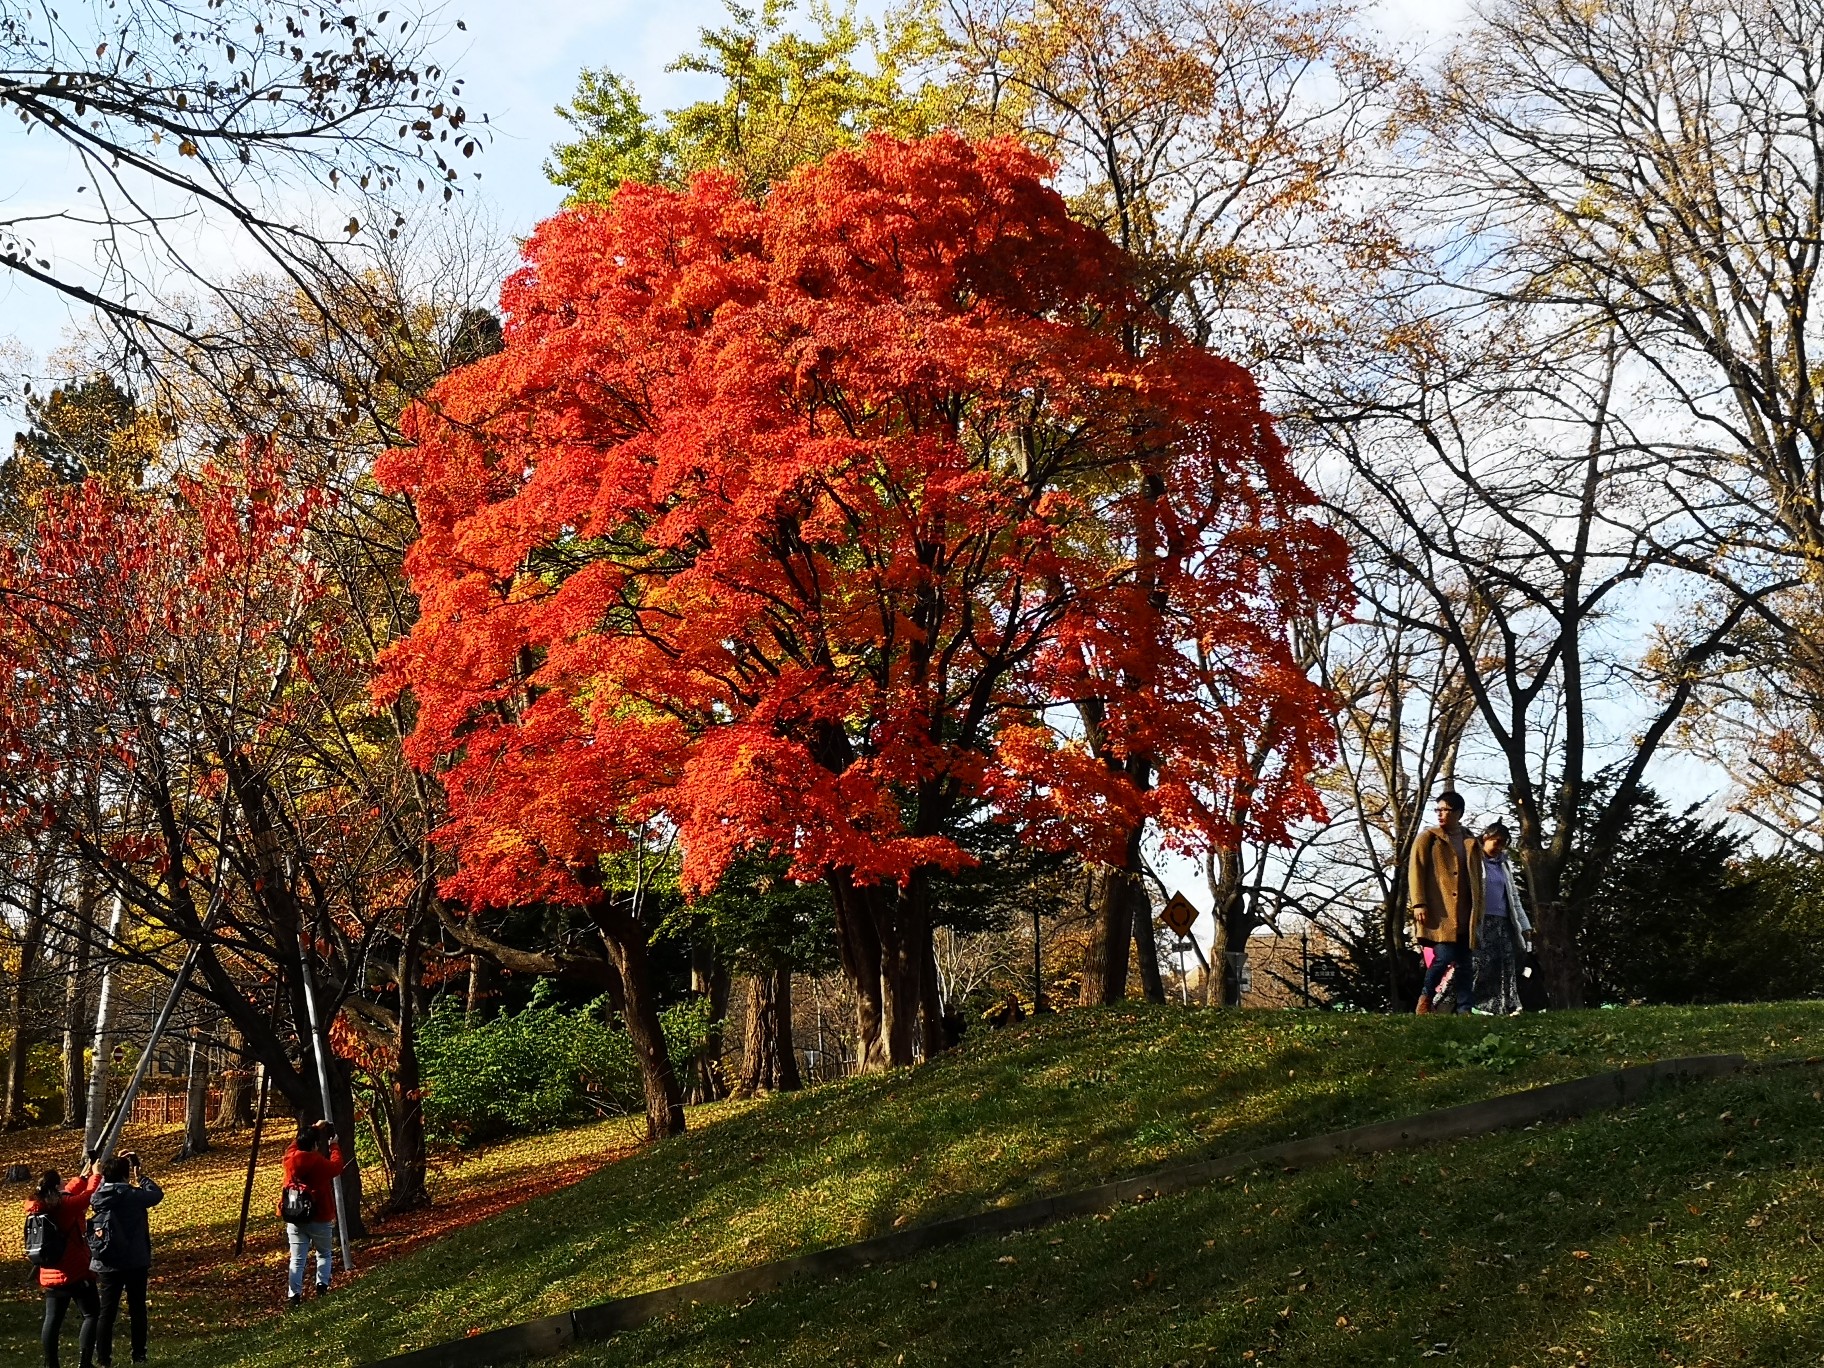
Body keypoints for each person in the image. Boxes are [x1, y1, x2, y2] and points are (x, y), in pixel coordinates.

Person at [1408, 789, 1484, 1014]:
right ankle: (1425, 998)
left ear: (1458, 813)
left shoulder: (1471, 841)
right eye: (1437, 810)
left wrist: (1478, 911)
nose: (1440, 814)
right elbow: (1416, 871)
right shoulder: (1428, 838)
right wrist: (1419, 903)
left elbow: (1478, 879)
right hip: (1439, 913)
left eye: (1446, 810)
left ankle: (1465, 1009)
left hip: (1465, 913)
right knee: (1443, 957)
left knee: (1465, 964)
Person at [27, 1158, 104, 1368]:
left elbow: (70, 1190)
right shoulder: (66, 1206)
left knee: (52, 1320)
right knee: (91, 1314)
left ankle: (50, 1364)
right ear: (55, 1188)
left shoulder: (40, 1205)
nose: (64, 1186)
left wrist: (82, 1177)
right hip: (75, 1272)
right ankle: (85, 1362)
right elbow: (88, 1197)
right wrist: (96, 1175)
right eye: (61, 1183)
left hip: (50, 1272)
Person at [89, 1152, 164, 1367]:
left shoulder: (98, 1197)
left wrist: (101, 1176)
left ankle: (103, 1359)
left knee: (107, 1312)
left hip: (106, 1261)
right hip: (134, 1261)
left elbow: (102, 1188)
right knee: (137, 1309)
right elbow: (156, 1194)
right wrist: (140, 1176)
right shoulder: (133, 1196)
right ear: (125, 1176)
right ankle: (138, 1354)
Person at [279, 1119, 346, 1307]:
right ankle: (321, 1287)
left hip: (294, 1215)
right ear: (315, 1145)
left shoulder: (289, 1159)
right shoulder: (317, 1161)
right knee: (324, 1253)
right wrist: (334, 1146)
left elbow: (295, 1144)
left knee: (297, 1259)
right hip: (319, 1214)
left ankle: (294, 1296)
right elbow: (337, 1166)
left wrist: (314, 1128)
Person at [1472, 821, 1532, 1016]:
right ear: (1485, 838)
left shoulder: (1504, 865)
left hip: (1504, 921)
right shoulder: (1473, 861)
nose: (1499, 847)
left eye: (1504, 843)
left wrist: (1524, 925)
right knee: (1481, 964)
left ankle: (1508, 1005)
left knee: (1507, 964)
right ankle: (1475, 1004)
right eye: (1496, 842)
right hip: (1481, 921)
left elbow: (1513, 896)